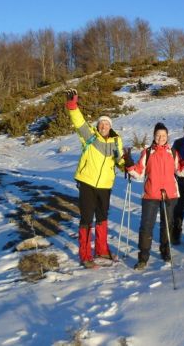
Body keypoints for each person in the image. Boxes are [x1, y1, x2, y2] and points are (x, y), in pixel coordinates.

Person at [65, 88, 124, 269]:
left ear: (110, 126)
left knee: (102, 218)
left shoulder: (116, 141)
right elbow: (78, 121)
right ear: (98, 126)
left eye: (106, 124)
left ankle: (101, 250)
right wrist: (72, 105)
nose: (104, 126)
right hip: (87, 183)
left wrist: (127, 164)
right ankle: (85, 255)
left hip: (105, 185)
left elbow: (119, 161)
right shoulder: (90, 136)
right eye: (101, 123)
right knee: (86, 218)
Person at [127, 122, 184, 270]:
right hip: (151, 194)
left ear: (167, 136)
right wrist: (129, 164)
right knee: (146, 227)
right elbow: (138, 173)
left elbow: (180, 172)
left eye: (163, 135)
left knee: (167, 225)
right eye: (158, 135)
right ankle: (143, 257)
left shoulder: (173, 152)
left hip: (170, 194)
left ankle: (166, 252)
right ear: (154, 136)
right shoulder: (147, 152)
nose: (161, 138)